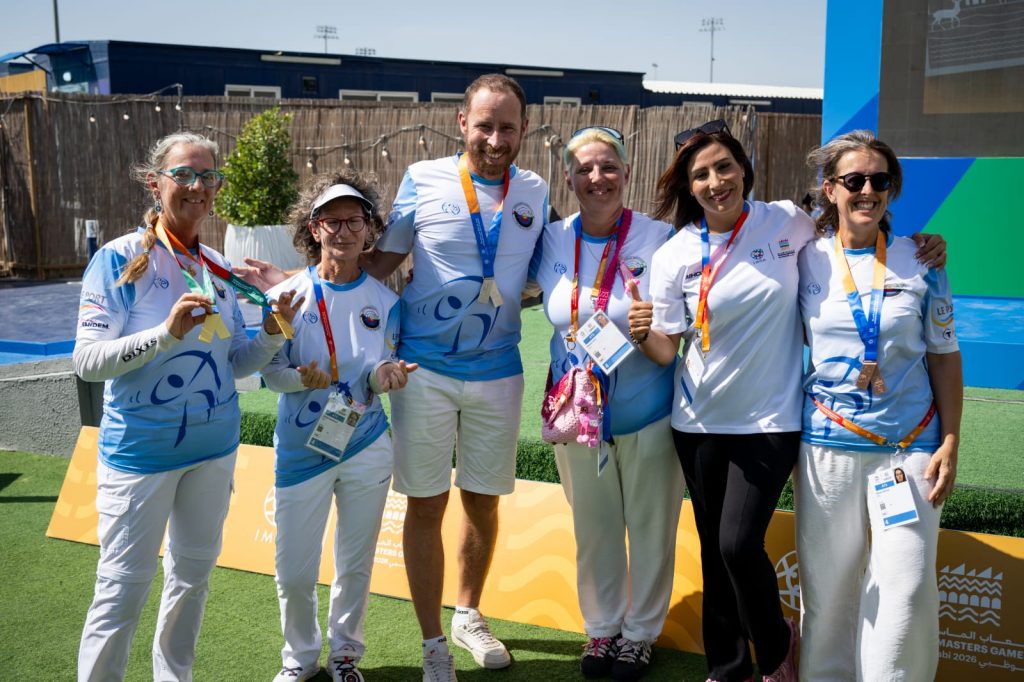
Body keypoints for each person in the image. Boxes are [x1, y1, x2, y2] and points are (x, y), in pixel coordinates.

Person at [627, 121, 947, 682]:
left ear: (745, 169)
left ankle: (776, 650)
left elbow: (857, 238)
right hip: (698, 420)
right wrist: (639, 333)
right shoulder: (678, 252)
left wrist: (921, 245)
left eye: (724, 166)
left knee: (737, 542)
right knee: (715, 549)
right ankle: (728, 669)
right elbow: (665, 349)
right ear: (689, 186)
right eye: (701, 174)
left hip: (774, 420)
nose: (715, 180)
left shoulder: (786, 223)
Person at [74, 131, 300, 681]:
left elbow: (236, 363)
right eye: (184, 174)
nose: (197, 186)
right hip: (140, 458)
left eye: (207, 177)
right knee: (121, 594)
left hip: (214, 452)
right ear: (155, 183)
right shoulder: (120, 259)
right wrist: (164, 335)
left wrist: (271, 334)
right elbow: (87, 361)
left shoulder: (217, 268)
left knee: (191, 583)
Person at [360, 74, 548, 681]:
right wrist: (302, 279)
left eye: (508, 127)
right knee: (426, 502)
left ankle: (468, 614)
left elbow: (554, 267)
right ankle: (432, 641)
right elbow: (382, 262)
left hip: (499, 371)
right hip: (424, 371)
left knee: (483, 500)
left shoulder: (537, 190)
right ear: (461, 123)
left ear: (525, 129)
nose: (496, 138)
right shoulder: (422, 178)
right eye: (485, 124)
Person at [796, 130, 961, 681]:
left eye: (880, 180)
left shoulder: (923, 257)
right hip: (826, 448)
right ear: (829, 189)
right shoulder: (804, 259)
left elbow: (943, 354)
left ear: (891, 189)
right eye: (854, 180)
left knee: (908, 587)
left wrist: (952, 441)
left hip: (910, 448)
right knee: (828, 592)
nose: (868, 190)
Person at [528, 126, 683, 680]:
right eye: (584, 169)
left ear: (625, 171)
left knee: (650, 527)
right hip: (576, 414)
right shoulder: (549, 240)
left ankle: (640, 634)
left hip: (647, 412)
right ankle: (601, 631)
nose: (598, 178)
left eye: (608, 167)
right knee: (593, 529)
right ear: (568, 178)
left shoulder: (661, 237)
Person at [261, 171, 418, 682]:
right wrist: (297, 379)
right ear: (315, 227)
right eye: (334, 221)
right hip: (301, 450)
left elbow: (376, 370)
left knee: (354, 564)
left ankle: (346, 656)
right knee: (295, 570)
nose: (345, 231)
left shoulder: (387, 303)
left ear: (369, 229)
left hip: (366, 444)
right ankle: (300, 661)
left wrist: (384, 374)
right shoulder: (288, 296)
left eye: (355, 221)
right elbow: (269, 371)